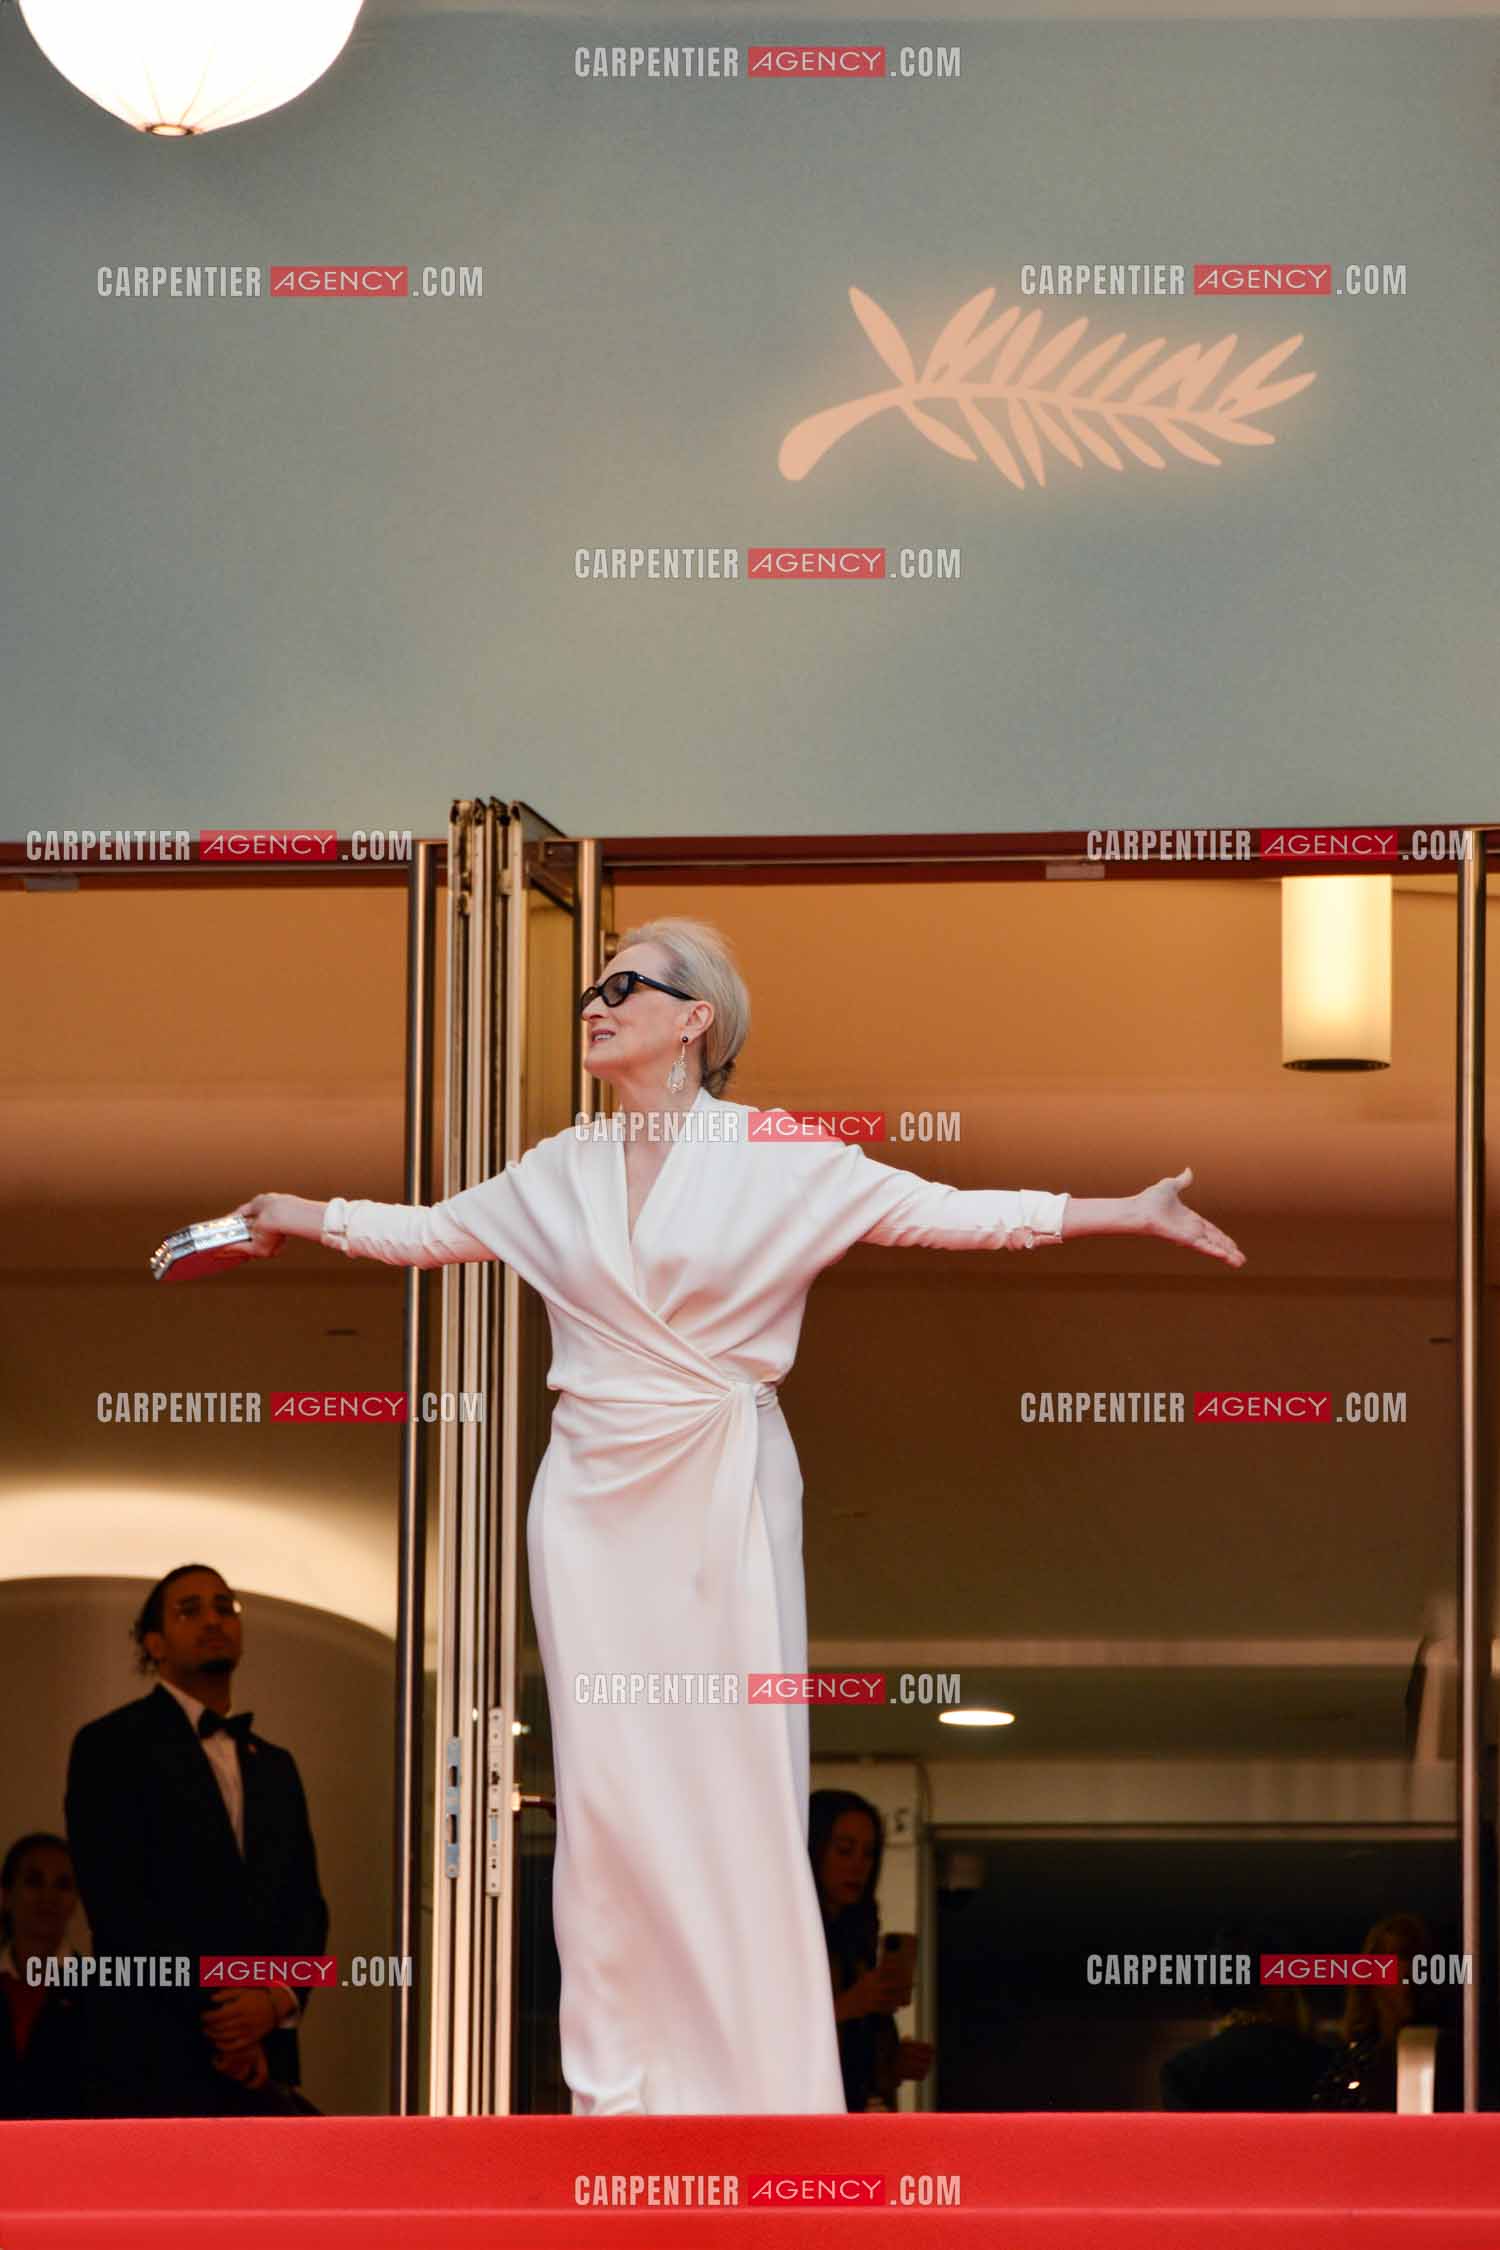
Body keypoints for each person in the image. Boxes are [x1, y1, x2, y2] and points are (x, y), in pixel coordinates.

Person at [231, 915, 1244, 2115]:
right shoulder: (556, 1168)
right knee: (609, 1791)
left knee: (731, 1771)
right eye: (592, 987)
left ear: (694, 1019)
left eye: (624, 984)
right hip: (591, 1500)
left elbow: (938, 1209)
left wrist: (1121, 1211)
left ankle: (758, 2084)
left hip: (721, 1477)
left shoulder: (778, 1155)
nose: (594, 1002)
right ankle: (621, 2090)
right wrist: (291, 1209)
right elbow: (427, 1233)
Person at [64, 1564, 329, 2115]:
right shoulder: (109, 1746)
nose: (213, 1618)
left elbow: (306, 1909)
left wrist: (274, 2000)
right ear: (154, 1643)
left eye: (224, 1607)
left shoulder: (277, 1767)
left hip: (264, 2062)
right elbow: (119, 1908)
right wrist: (228, 2029)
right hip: (154, 2058)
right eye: (190, 1609)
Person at [810, 1789, 934, 2111]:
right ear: (814, 1849)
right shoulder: (787, 1934)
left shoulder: (857, 1937)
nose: (858, 1866)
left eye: (868, 1854)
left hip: (860, 2114)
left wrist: (894, 2065)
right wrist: (848, 2006)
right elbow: (767, 2039)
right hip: (805, 2119)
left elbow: (854, 2060)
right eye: (844, 1850)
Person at [1311, 1912, 1460, 2111]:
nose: (1403, 1968)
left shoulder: (1443, 2050)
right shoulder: (1353, 2058)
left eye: (1408, 1956)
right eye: (1386, 1956)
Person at [0, 1832, 87, 2118]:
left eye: (63, 1885)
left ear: (75, 1900)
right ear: (5, 1895)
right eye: (34, 1881)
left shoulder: (100, 1990)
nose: (47, 1896)